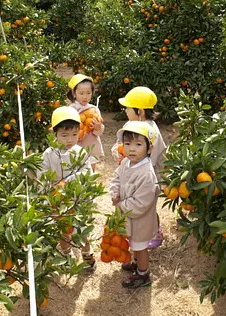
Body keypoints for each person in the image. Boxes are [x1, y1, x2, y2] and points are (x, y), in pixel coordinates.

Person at [36, 106, 96, 271]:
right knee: (63, 229)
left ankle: (86, 253)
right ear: (53, 134)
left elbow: (86, 173)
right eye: (64, 135)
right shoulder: (49, 154)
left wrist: (67, 182)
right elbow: (43, 175)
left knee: (81, 228)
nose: (70, 139)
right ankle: (66, 253)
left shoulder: (80, 152)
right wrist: (46, 191)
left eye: (74, 135)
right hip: (58, 200)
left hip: (78, 199)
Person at [112, 86, 167, 249]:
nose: (125, 111)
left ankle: (155, 231)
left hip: (150, 177)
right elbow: (123, 143)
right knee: (135, 204)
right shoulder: (133, 123)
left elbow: (152, 158)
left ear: (140, 111)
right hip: (134, 172)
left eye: (128, 108)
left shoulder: (151, 131)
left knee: (148, 206)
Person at [109, 121, 159, 288]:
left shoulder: (146, 174)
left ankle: (143, 274)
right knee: (134, 243)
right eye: (127, 143)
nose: (131, 148)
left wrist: (121, 204)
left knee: (140, 246)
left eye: (138, 144)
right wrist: (114, 191)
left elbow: (140, 203)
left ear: (149, 149)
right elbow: (116, 178)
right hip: (129, 217)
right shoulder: (126, 163)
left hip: (140, 221)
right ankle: (137, 264)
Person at [67, 74, 104, 171]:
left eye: (88, 93)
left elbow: (99, 132)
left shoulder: (94, 109)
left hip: (91, 147)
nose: (85, 96)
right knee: (76, 172)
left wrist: (98, 127)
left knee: (90, 174)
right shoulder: (71, 110)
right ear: (74, 94)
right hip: (76, 147)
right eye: (81, 93)